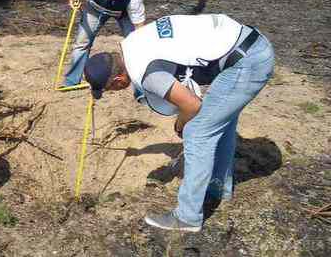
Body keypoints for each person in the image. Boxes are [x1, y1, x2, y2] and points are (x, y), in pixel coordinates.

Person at [83, 14, 275, 232]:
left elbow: (192, 106)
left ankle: (188, 217)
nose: (113, 92)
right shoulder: (133, 43)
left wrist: (180, 124)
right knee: (219, 123)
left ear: (118, 80)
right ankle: (217, 188)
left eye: (109, 89)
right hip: (249, 44)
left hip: (247, 62)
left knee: (197, 131)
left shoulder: (147, 73)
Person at [61, 0, 146, 87]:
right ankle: (71, 82)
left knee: (135, 43)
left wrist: (136, 41)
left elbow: (139, 26)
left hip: (122, 11)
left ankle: (137, 80)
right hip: (95, 8)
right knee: (81, 43)